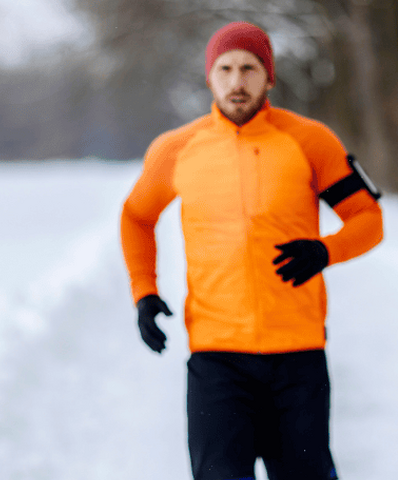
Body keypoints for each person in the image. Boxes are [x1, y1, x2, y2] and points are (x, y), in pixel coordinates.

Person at [120, 21, 384, 480]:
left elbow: (368, 219)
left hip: (297, 356)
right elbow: (136, 217)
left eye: (249, 67)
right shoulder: (177, 150)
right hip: (216, 358)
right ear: (209, 76)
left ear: (269, 76)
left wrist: (326, 251)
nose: (236, 81)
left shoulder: (310, 140)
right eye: (225, 68)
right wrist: (144, 292)